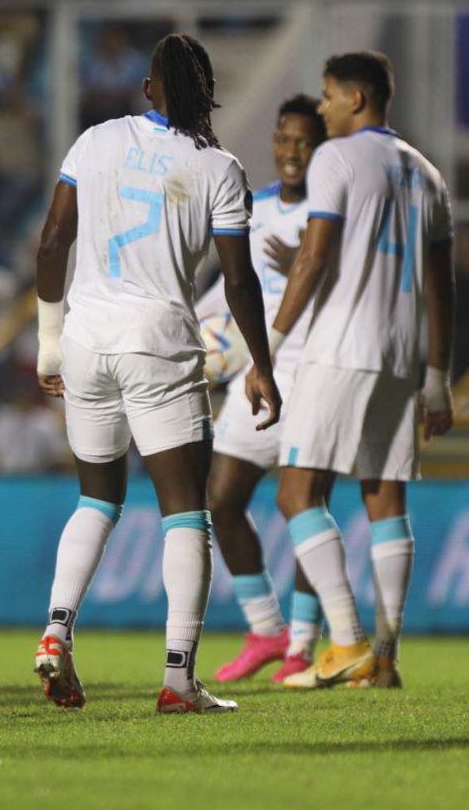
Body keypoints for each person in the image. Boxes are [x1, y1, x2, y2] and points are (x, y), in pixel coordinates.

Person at [33, 33, 281, 714]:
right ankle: (177, 679)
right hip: (158, 344)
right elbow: (237, 282)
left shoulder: (95, 141)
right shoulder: (220, 169)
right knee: (184, 513)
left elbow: (52, 242)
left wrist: (49, 342)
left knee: (96, 500)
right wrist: (260, 364)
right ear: (207, 94)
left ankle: (56, 631)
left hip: (85, 337)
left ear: (149, 90)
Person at [267, 52, 455, 689]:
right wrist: (436, 377)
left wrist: (269, 344)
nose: (320, 109)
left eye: (326, 96)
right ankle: (386, 658)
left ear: (355, 98)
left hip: (341, 346)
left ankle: (344, 636)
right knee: (385, 496)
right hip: (403, 358)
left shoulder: (336, 158)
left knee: (295, 492)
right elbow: (441, 286)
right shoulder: (428, 173)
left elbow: (313, 257)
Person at [192, 95, 328, 684]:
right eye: (283, 138)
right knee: (221, 499)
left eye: (303, 140)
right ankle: (265, 629)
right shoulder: (256, 208)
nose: (290, 151)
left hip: (320, 373)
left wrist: (311, 261)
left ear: (321, 147)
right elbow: (231, 288)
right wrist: (199, 341)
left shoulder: (333, 213)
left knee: (304, 508)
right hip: (257, 373)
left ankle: (304, 643)